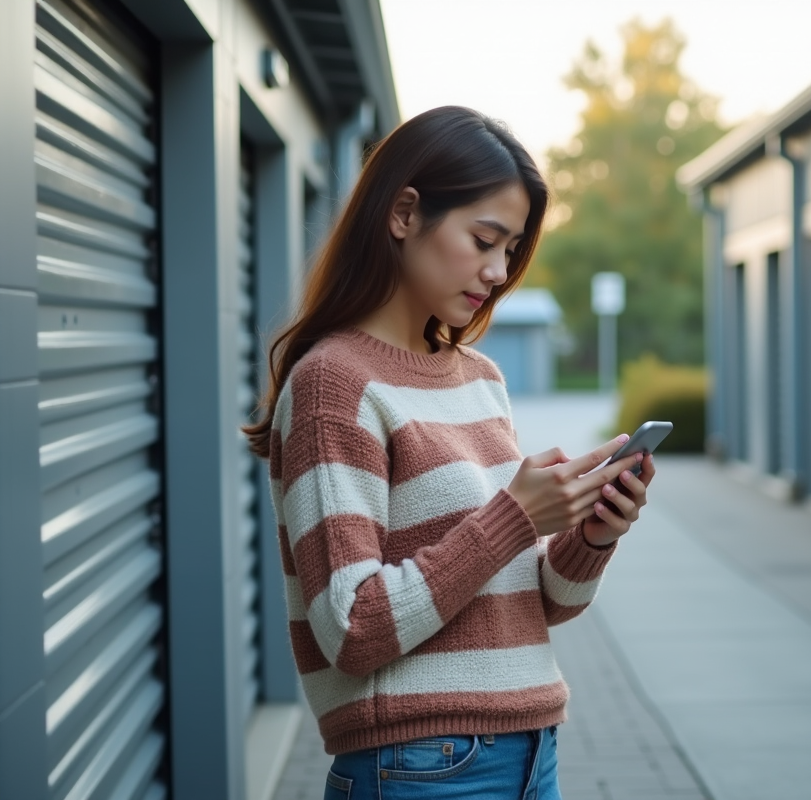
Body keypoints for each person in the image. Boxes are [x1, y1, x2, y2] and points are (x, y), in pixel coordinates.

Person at [243, 106, 653, 799]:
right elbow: (352, 627)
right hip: (422, 767)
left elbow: (533, 604)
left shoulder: (482, 379)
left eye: (511, 250)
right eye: (484, 240)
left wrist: (590, 535)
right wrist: (514, 518)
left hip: (531, 754)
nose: (498, 271)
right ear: (404, 214)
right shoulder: (333, 385)